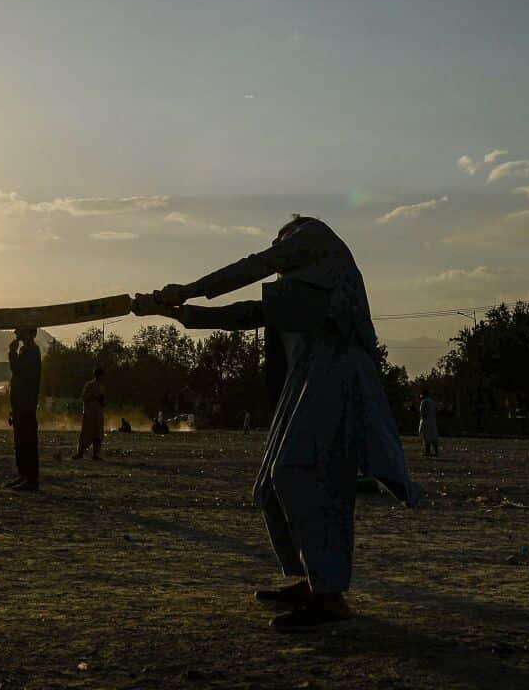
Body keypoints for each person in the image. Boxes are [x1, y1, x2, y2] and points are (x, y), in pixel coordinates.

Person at [135, 215, 419, 631]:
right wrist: (180, 314)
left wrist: (187, 290)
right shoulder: (307, 286)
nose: (277, 246)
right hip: (309, 374)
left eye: (280, 238)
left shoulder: (313, 239)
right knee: (274, 483)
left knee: (299, 473)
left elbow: (256, 264)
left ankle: (329, 595)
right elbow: (251, 313)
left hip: (335, 368)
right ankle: (314, 580)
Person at [6, 327, 41, 491]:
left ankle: (31, 479)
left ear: (28, 333)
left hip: (26, 404)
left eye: (19, 332)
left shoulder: (32, 351)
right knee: (20, 442)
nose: (16, 334)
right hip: (20, 403)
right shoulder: (27, 350)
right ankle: (23, 476)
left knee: (27, 442)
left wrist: (12, 352)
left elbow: (17, 369)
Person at [75, 367, 106, 460]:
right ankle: (80, 453)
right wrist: (93, 396)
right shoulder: (89, 385)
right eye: (100, 375)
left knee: (98, 435)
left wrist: (102, 402)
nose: (101, 377)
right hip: (89, 414)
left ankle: (96, 454)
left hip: (99, 414)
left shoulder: (102, 387)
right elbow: (84, 397)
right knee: (86, 434)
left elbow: (103, 401)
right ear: (97, 375)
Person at [418, 390, 439, 457]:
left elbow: (422, 413)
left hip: (426, 421)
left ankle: (427, 451)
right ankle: (436, 451)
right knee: (433, 436)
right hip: (433, 421)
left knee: (426, 436)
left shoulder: (424, 402)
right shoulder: (433, 402)